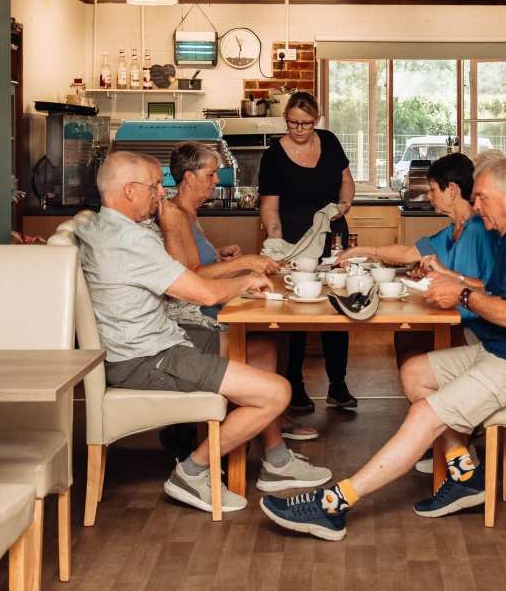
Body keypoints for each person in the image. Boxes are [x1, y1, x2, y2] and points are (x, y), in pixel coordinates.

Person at [260, 157, 506, 540]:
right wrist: (453, 277)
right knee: (415, 373)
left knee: (426, 414)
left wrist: (460, 292)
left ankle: (335, 504)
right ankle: (465, 471)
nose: (475, 207)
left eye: (481, 198)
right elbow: (496, 293)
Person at [75, 151, 332, 514]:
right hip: (148, 359)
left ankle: (276, 461)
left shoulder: (101, 227)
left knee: (258, 351)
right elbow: (207, 292)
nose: (160, 194)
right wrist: (247, 278)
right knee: (277, 392)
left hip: (153, 342)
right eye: (153, 187)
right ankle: (192, 472)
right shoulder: (130, 241)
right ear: (129, 191)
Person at [158, 141, 319, 441]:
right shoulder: (174, 215)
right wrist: (245, 262)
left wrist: (221, 257)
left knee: (278, 332)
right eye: (211, 174)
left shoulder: (189, 214)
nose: (217, 180)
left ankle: (271, 417)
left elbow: (193, 263)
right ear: (189, 178)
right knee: (267, 341)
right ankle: (271, 440)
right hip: (193, 318)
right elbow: (190, 276)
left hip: (209, 305)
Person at [334, 152, 501, 362]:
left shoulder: (478, 230)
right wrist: (359, 251)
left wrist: (448, 277)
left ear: (452, 190)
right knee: (406, 336)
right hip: (453, 314)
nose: (429, 196)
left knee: (409, 340)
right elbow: (408, 253)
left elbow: (492, 287)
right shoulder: (452, 231)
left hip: (474, 325)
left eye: (432, 190)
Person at [259, 91, 357, 412]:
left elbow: (345, 180)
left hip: (331, 235)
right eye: (293, 123)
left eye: (306, 124)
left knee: (336, 304)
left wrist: (343, 206)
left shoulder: (329, 141)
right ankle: (294, 384)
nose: (299, 130)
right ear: (285, 119)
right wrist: (276, 242)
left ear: (317, 121)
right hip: (294, 240)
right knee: (297, 311)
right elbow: (270, 206)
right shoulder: (273, 156)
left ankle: (338, 384)